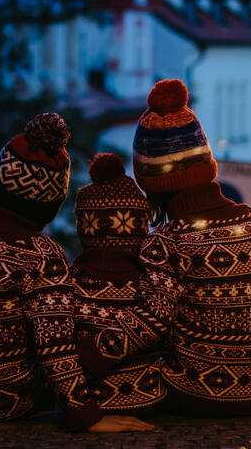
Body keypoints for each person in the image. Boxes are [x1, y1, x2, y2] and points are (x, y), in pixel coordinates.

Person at [0, 113, 151, 432]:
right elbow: (56, 348)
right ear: (50, 204)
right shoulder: (42, 255)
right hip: (3, 402)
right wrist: (86, 416)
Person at [78, 79, 251, 417]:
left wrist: (91, 353)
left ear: (153, 184)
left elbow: (152, 320)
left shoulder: (168, 241)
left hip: (201, 393)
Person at [69, 153, 164, 418]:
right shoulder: (155, 282)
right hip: (149, 406)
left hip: (88, 408)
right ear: (140, 227)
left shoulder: (67, 285)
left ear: (84, 228)